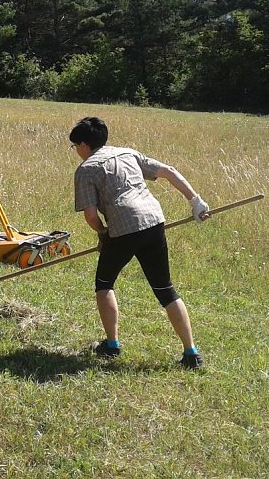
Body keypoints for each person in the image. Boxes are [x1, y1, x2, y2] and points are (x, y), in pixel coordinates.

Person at [69, 117, 210, 369]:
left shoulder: (86, 169)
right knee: (165, 289)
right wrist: (195, 201)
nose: (76, 152)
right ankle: (191, 353)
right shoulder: (127, 153)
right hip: (154, 221)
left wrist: (103, 233)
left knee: (104, 283)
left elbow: (90, 215)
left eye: (74, 147)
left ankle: (111, 346)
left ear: (83, 145)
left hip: (123, 229)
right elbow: (168, 171)